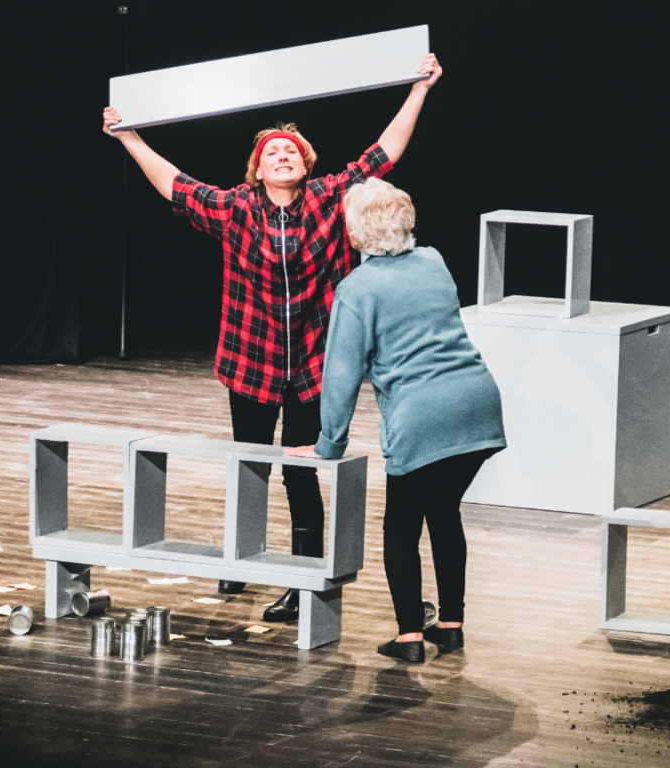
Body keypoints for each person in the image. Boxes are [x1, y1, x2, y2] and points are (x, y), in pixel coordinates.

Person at [102, 55, 443, 622]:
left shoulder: (331, 198)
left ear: (304, 165)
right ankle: (240, 558)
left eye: (291, 151)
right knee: (250, 463)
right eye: (271, 153)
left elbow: (383, 153)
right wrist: (128, 137)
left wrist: (419, 89)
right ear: (257, 171)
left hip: (314, 364)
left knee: (302, 469)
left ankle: (301, 582)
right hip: (252, 361)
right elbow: (176, 186)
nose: (282, 156)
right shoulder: (237, 208)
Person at [286, 178, 506, 661]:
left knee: (400, 528)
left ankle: (409, 637)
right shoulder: (434, 261)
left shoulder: (356, 288)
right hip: (478, 403)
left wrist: (328, 445)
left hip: (422, 416)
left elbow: (341, 375)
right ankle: (450, 625)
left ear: (354, 233)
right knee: (443, 512)